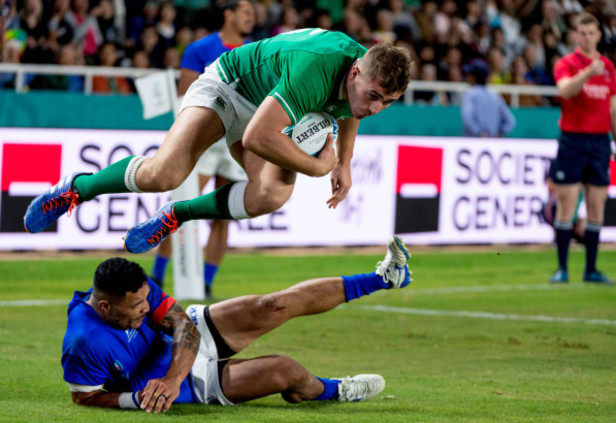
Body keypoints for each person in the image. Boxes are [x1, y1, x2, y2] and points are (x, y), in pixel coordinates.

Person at [24, 29, 413, 254]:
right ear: (356, 71)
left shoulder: (362, 79)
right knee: (165, 174)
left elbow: (350, 110)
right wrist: (317, 166)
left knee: (272, 195)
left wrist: (344, 161)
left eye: (389, 102)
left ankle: (175, 215)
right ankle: (77, 189)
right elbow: (259, 137)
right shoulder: (316, 68)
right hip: (229, 87)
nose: (376, 108)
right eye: (375, 96)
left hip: (271, 105)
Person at [61, 236, 412, 412]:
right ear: (105, 307)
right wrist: (136, 399)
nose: (144, 307)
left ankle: (383, 277)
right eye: (136, 306)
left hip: (185, 350)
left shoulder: (135, 286)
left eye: (145, 300)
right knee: (285, 371)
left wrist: (171, 376)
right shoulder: (84, 341)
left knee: (272, 305)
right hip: (191, 386)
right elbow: (85, 398)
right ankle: (337, 389)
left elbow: (184, 325)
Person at [150, 0, 255, 297]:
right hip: (205, 142)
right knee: (180, 205)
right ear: (229, 14)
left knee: (224, 215)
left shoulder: (254, 51)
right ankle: (156, 277)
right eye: (246, 13)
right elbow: (185, 97)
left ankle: (207, 284)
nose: (251, 18)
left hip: (237, 140)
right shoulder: (199, 49)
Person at [548, 12, 616, 285]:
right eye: (582, 32)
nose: (587, 37)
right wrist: (586, 73)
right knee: (567, 203)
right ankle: (562, 269)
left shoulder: (608, 67)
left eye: (592, 33)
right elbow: (565, 90)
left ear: (599, 35)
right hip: (573, 139)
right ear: (575, 35)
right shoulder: (567, 64)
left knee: (596, 205)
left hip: (599, 142)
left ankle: (591, 269)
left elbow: (613, 106)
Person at [460, 58, 516, 138]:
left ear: (474, 77)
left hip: (474, 144)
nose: (467, 78)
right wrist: (498, 133)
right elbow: (510, 121)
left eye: (469, 75)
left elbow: (467, 118)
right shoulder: (495, 95)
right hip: (493, 144)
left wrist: (480, 133)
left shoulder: (471, 94)